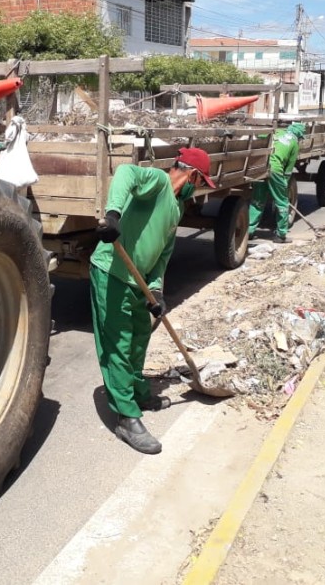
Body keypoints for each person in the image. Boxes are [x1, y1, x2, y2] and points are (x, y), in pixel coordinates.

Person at [91, 147, 216, 454]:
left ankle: (137, 391)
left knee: (139, 337)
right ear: (192, 174)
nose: (197, 190)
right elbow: (125, 173)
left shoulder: (176, 209)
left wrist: (157, 290)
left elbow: (163, 254)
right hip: (111, 271)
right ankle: (125, 416)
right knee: (119, 344)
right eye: (200, 183)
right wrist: (113, 214)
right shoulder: (159, 182)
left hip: (138, 282)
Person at [248, 122, 307, 243]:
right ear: (299, 135)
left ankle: (248, 231)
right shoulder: (294, 144)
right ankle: (281, 234)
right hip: (276, 170)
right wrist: (282, 188)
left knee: (257, 200)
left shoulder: (278, 132)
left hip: (261, 166)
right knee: (283, 203)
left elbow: (262, 136)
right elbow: (288, 171)